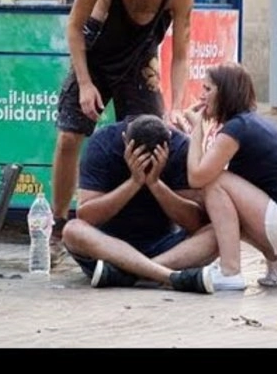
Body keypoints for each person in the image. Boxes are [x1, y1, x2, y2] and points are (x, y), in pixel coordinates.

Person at [50, 0, 195, 267]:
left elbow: (181, 55)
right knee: (69, 136)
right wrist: (85, 83)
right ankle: (58, 225)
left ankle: (146, 229)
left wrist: (176, 106)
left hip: (140, 60)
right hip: (96, 54)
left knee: (151, 139)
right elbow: (74, 27)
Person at [182, 62, 277, 291]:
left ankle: (230, 272)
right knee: (217, 200)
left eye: (208, 89)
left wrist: (196, 129)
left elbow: (197, 177)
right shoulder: (247, 123)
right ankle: (275, 257)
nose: (201, 96)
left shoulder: (237, 128)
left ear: (225, 92)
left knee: (215, 182)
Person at [61, 114, 217, 294]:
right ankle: (169, 276)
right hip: (108, 248)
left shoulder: (180, 147)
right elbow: (86, 216)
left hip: (165, 249)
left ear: (168, 142)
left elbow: (195, 222)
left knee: (220, 231)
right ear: (124, 140)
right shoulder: (102, 143)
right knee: (72, 230)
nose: (147, 164)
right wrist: (134, 182)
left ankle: (131, 274)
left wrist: (155, 184)